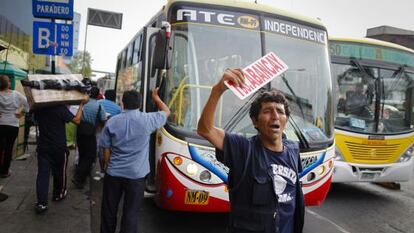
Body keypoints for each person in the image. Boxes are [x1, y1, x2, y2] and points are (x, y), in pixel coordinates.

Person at [197, 69, 304, 233]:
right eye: (267, 111)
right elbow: (205, 130)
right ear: (255, 121)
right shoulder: (243, 149)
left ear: (286, 120)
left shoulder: (293, 150)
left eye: (280, 111)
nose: (275, 116)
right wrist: (217, 90)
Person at [99, 89, 170, 233]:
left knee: (109, 211)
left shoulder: (112, 122)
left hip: (114, 174)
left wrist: (105, 167)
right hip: (137, 176)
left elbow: (104, 149)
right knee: (131, 214)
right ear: (139, 104)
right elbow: (166, 111)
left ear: (122, 103)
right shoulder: (148, 120)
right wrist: (156, 97)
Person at [34, 99, 87, 214]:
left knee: (43, 174)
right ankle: (58, 194)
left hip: (43, 147)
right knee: (60, 172)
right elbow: (77, 120)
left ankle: (41, 203)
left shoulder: (39, 108)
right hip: (58, 147)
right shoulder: (60, 108)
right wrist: (81, 104)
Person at [72, 86, 106, 189]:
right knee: (90, 156)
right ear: (98, 95)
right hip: (90, 134)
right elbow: (103, 119)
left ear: (90, 94)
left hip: (79, 131)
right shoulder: (99, 106)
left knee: (82, 154)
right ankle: (78, 177)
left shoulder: (82, 103)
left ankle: (80, 179)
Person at [0, 74, 29, 178]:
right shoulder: (16, 94)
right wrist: (22, 113)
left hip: (1, 124)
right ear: (8, 84)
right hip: (13, 124)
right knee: (9, 148)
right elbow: (28, 103)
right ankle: (4, 171)